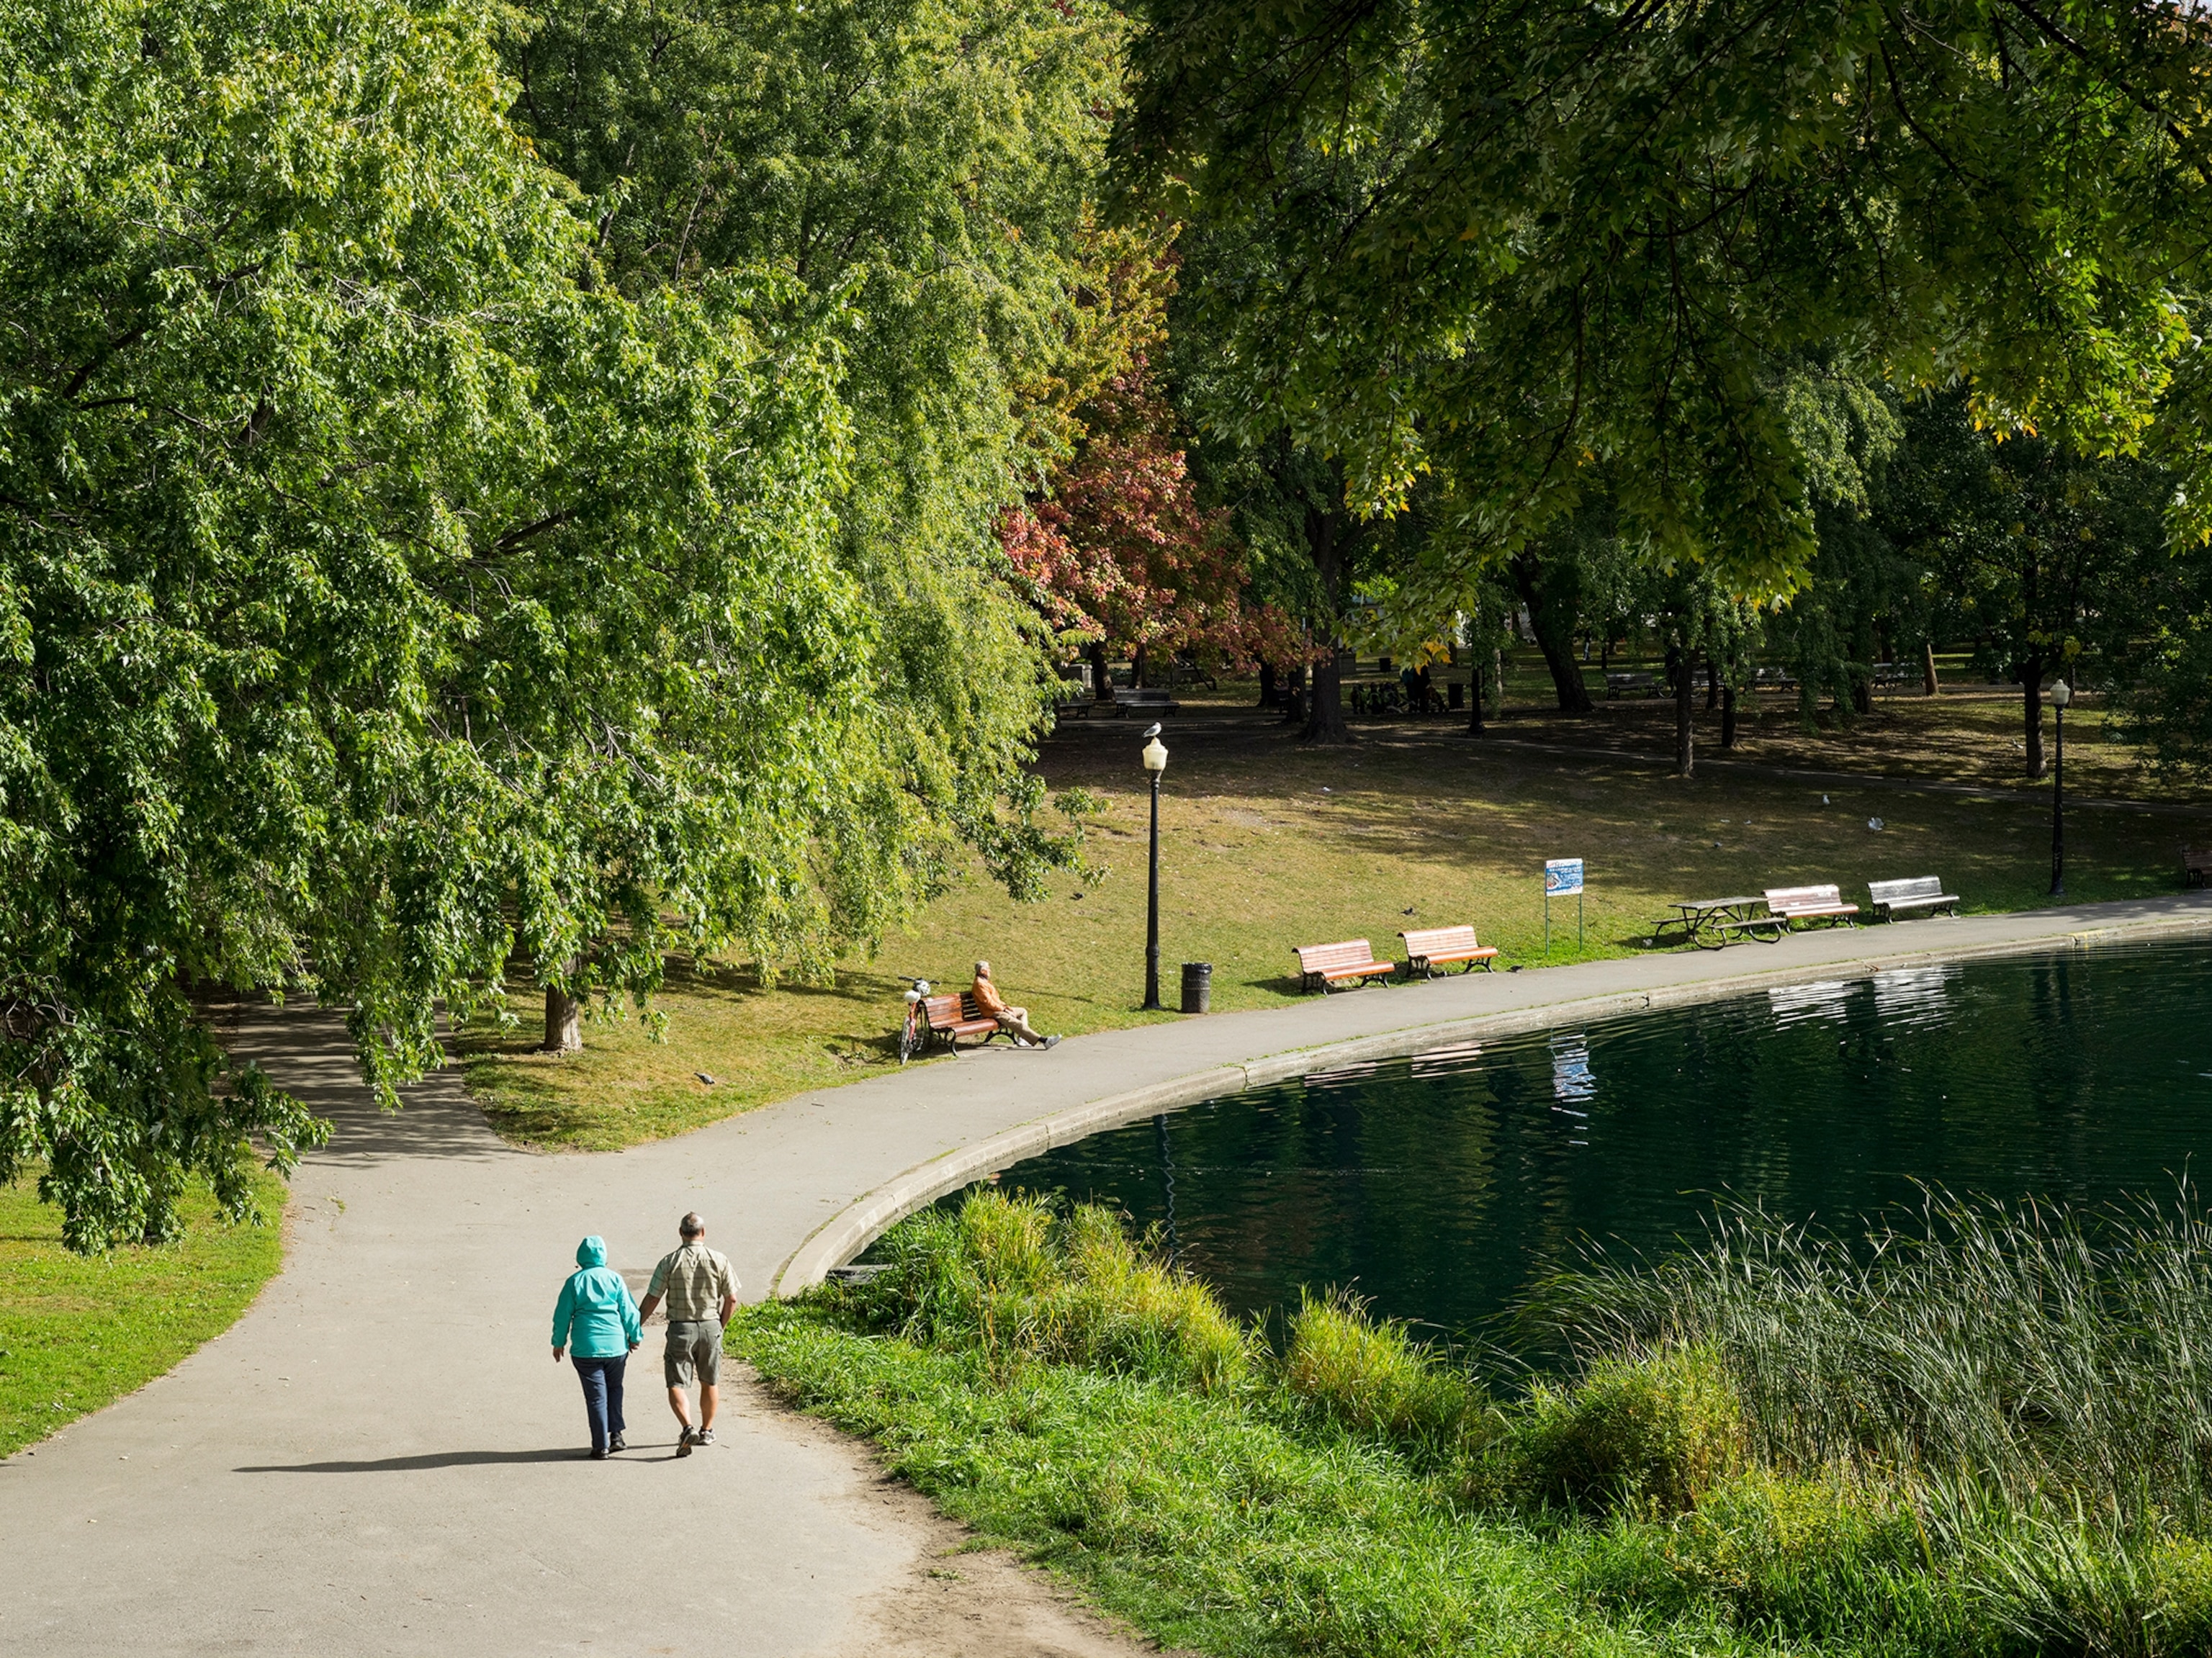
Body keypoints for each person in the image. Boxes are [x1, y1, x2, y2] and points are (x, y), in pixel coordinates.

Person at [638, 1212, 739, 1456]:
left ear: (681, 1233)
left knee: (676, 1382)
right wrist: (720, 1326)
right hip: (710, 1325)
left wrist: (636, 1325)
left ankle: (687, 1427)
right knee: (709, 1380)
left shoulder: (670, 1261)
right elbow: (732, 1298)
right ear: (703, 1233)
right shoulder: (719, 1259)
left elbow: (653, 1297)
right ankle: (707, 1431)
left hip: (680, 1328)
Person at [550, 1235, 642, 1459]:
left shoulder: (574, 1282)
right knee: (615, 1389)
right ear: (604, 1256)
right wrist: (635, 1336)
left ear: (580, 1257)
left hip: (586, 1348)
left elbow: (562, 1316)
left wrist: (558, 1342)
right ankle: (616, 1436)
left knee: (596, 1397)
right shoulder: (615, 1280)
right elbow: (629, 1311)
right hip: (616, 1346)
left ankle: (601, 1446)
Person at [970, 961, 1060, 1050]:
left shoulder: (984, 982)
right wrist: (1004, 1010)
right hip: (991, 1013)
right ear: (982, 971)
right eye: (988, 969)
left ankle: (1023, 1039)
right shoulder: (980, 984)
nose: (990, 971)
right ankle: (1044, 1041)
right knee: (1015, 1022)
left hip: (997, 1009)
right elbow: (989, 1003)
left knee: (1022, 1011)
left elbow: (995, 1000)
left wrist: (1006, 1008)